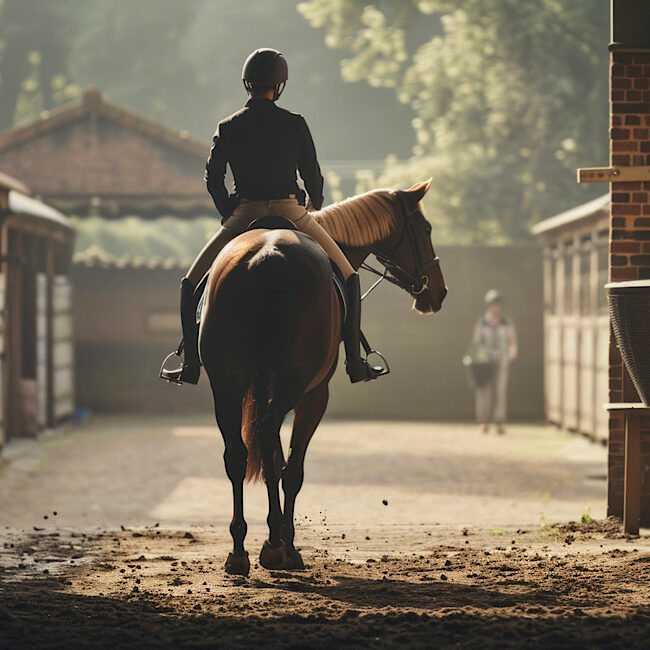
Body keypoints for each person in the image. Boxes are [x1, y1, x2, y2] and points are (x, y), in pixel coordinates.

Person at [160, 48, 384, 386]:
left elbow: (213, 177)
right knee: (350, 277)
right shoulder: (295, 123)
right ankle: (355, 360)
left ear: (247, 84)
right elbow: (313, 174)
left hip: (244, 213)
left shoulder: (229, 126)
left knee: (190, 283)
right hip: (292, 213)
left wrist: (228, 213)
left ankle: (190, 363)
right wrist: (312, 206)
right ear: (279, 86)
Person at [472, 289, 518, 434]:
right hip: (486, 359)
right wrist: (478, 358)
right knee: (485, 390)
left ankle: (499, 421)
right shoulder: (482, 323)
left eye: (497, 304)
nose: (495, 306)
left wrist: (512, 351)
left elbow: (512, 340)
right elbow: (476, 342)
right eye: (492, 304)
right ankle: (484, 420)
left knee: (500, 390)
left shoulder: (506, 322)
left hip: (502, 358)